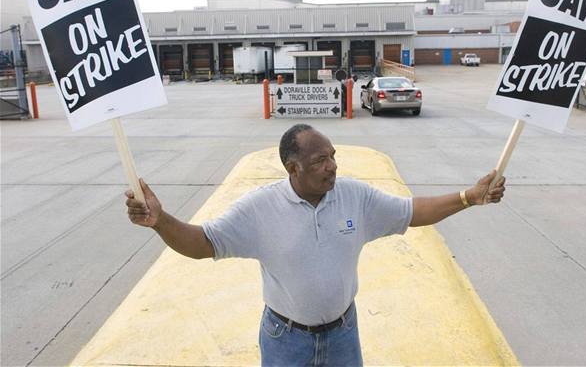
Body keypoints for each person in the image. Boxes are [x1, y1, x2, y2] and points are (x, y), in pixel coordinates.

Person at [125, 123, 506, 367]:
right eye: (321, 160)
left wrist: (467, 197)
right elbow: (202, 242)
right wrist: (161, 222)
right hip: (285, 340)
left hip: (343, 335)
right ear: (293, 168)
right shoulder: (260, 208)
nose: (333, 166)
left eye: (333, 157)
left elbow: (412, 211)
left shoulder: (353, 196)